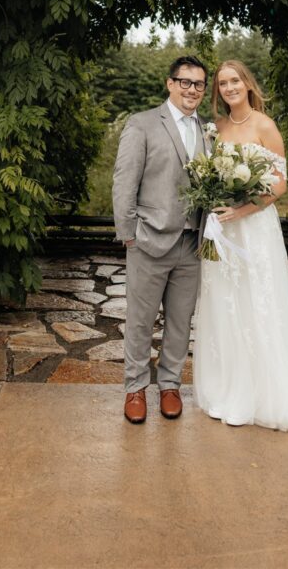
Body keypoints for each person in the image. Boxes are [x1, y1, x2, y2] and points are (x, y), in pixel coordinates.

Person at [193, 59, 288, 435]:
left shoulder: (265, 125)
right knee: (224, 304)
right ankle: (227, 390)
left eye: (235, 81)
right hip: (222, 229)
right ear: (218, 91)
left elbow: (279, 184)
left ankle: (262, 397)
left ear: (247, 84)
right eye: (222, 83)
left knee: (257, 303)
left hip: (254, 229)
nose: (229, 88)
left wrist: (242, 209)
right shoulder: (216, 128)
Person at [112, 55, 207, 424]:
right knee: (140, 321)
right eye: (185, 82)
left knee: (180, 322)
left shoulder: (208, 130)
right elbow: (124, 182)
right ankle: (135, 388)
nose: (192, 90)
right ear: (170, 84)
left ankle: (170, 385)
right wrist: (129, 234)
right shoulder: (143, 124)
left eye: (199, 84)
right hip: (149, 240)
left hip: (192, 243)